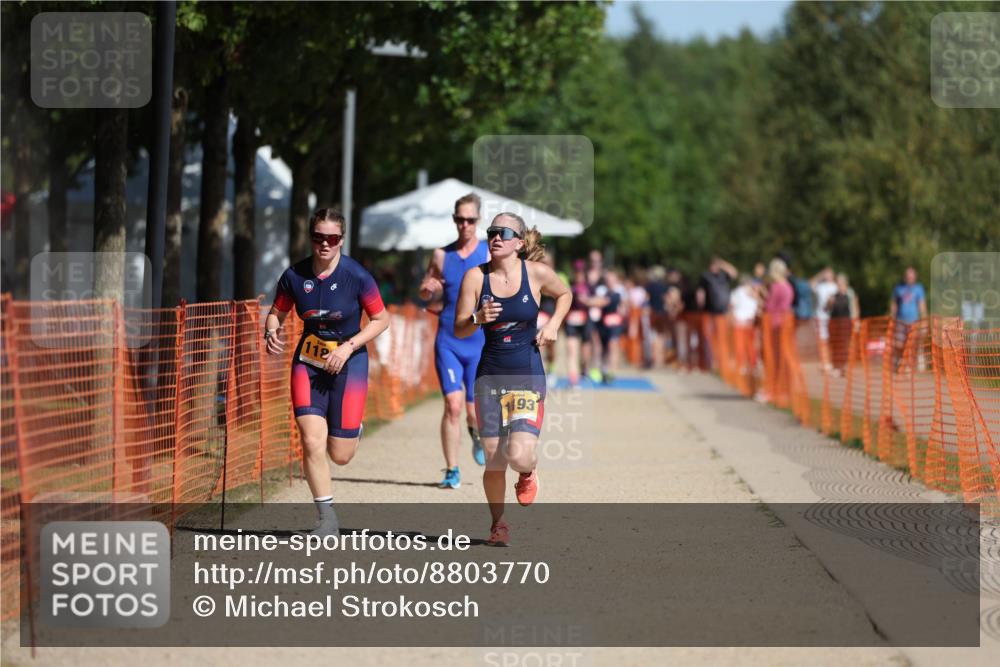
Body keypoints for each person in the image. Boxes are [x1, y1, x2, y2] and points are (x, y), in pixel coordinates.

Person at [264, 208, 390, 536]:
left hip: (351, 362)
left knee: (341, 454)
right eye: (319, 237)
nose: (324, 244)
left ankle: (351, 430)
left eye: (332, 239)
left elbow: (382, 319)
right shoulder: (294, 275)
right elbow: (277, 312)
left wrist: (348, 346)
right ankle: (327, 518)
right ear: (311, 238)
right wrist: (271, 329)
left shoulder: (357, 276)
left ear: (341, 241)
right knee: (310, 440)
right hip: (308, 362)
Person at [454, 212, 571, 546]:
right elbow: (458, 329)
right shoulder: (475, 278)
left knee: (518, 455)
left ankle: (528, 471)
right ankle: (498, 523)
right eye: (491, 232)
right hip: (490, 375)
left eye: (503, 233)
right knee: (493, 459)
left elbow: (565, 295)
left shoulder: (536, 274)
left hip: (526, 374)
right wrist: (476, 318)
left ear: (519, 242)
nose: (496, 237)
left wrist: (552, 325)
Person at [418, 193, 490, 489]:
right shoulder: (440, 255)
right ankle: (452, 469)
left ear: (478, 221)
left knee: (473, 412)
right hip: (448, 337)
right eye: (460, 219)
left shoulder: (488, 253)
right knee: (452, 405)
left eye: (470, 220)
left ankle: (475, 435)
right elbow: (426, 290)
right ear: (454, 220)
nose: (465, 225)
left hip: (478, 341)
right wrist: (428, 288)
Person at [756, 258, 793, 403]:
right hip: (785, 324)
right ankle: (782, 390)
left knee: (773, 358)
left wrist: (761, 299)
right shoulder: (788, 286)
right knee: (783, 357)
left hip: (774, 325)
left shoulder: (777, 286)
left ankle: (772, 390)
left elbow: (770, 307)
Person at [889, 266, 926, 371]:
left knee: (912, 344)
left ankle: (908, 365)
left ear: (914, 277)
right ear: (905, 277)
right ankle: (900, 360)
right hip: (900, 321)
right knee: (899, 344)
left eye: (911, 277)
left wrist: (924, 320)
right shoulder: (898, 288)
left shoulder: (919, 288)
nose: (909, 278)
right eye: (908, 276)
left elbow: (922, 305)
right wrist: (892, 318)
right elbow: (894, 304)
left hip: (914, 322)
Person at [597, 268, 628, 383]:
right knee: (604, 348)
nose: (610, 282)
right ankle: (604, 369)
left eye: (612, 280)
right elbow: (599, 304)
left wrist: (623, 311)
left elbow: (624, 306)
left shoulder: (621, 291)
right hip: (603, 324)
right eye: (608, 280)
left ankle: (612, 372)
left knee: (613, 345)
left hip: (616, 323)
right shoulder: (601, 291)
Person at [826, 272, 858, 374]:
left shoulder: (850, 295)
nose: (839, 286)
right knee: (835, 346)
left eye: (841, 284)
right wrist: (829, 303)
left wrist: (856, 322)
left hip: (846, 324)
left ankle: (844, 366)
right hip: (835, 325)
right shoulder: (833, 296)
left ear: (845, 284)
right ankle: (836, 366)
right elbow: (826, 309)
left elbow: (854, 309)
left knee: (845, 346)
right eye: (838, 284)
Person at [811, 267, 838, 371]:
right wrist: (820, 275)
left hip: (832, 317)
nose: (827, 275)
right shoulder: (820, 286)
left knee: (832, 340)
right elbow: (811, 284)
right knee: (822, 340)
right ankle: (824, 361)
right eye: (826, 274)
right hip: (820, 317)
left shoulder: (835, 287)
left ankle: (831, 361)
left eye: (829, 273)